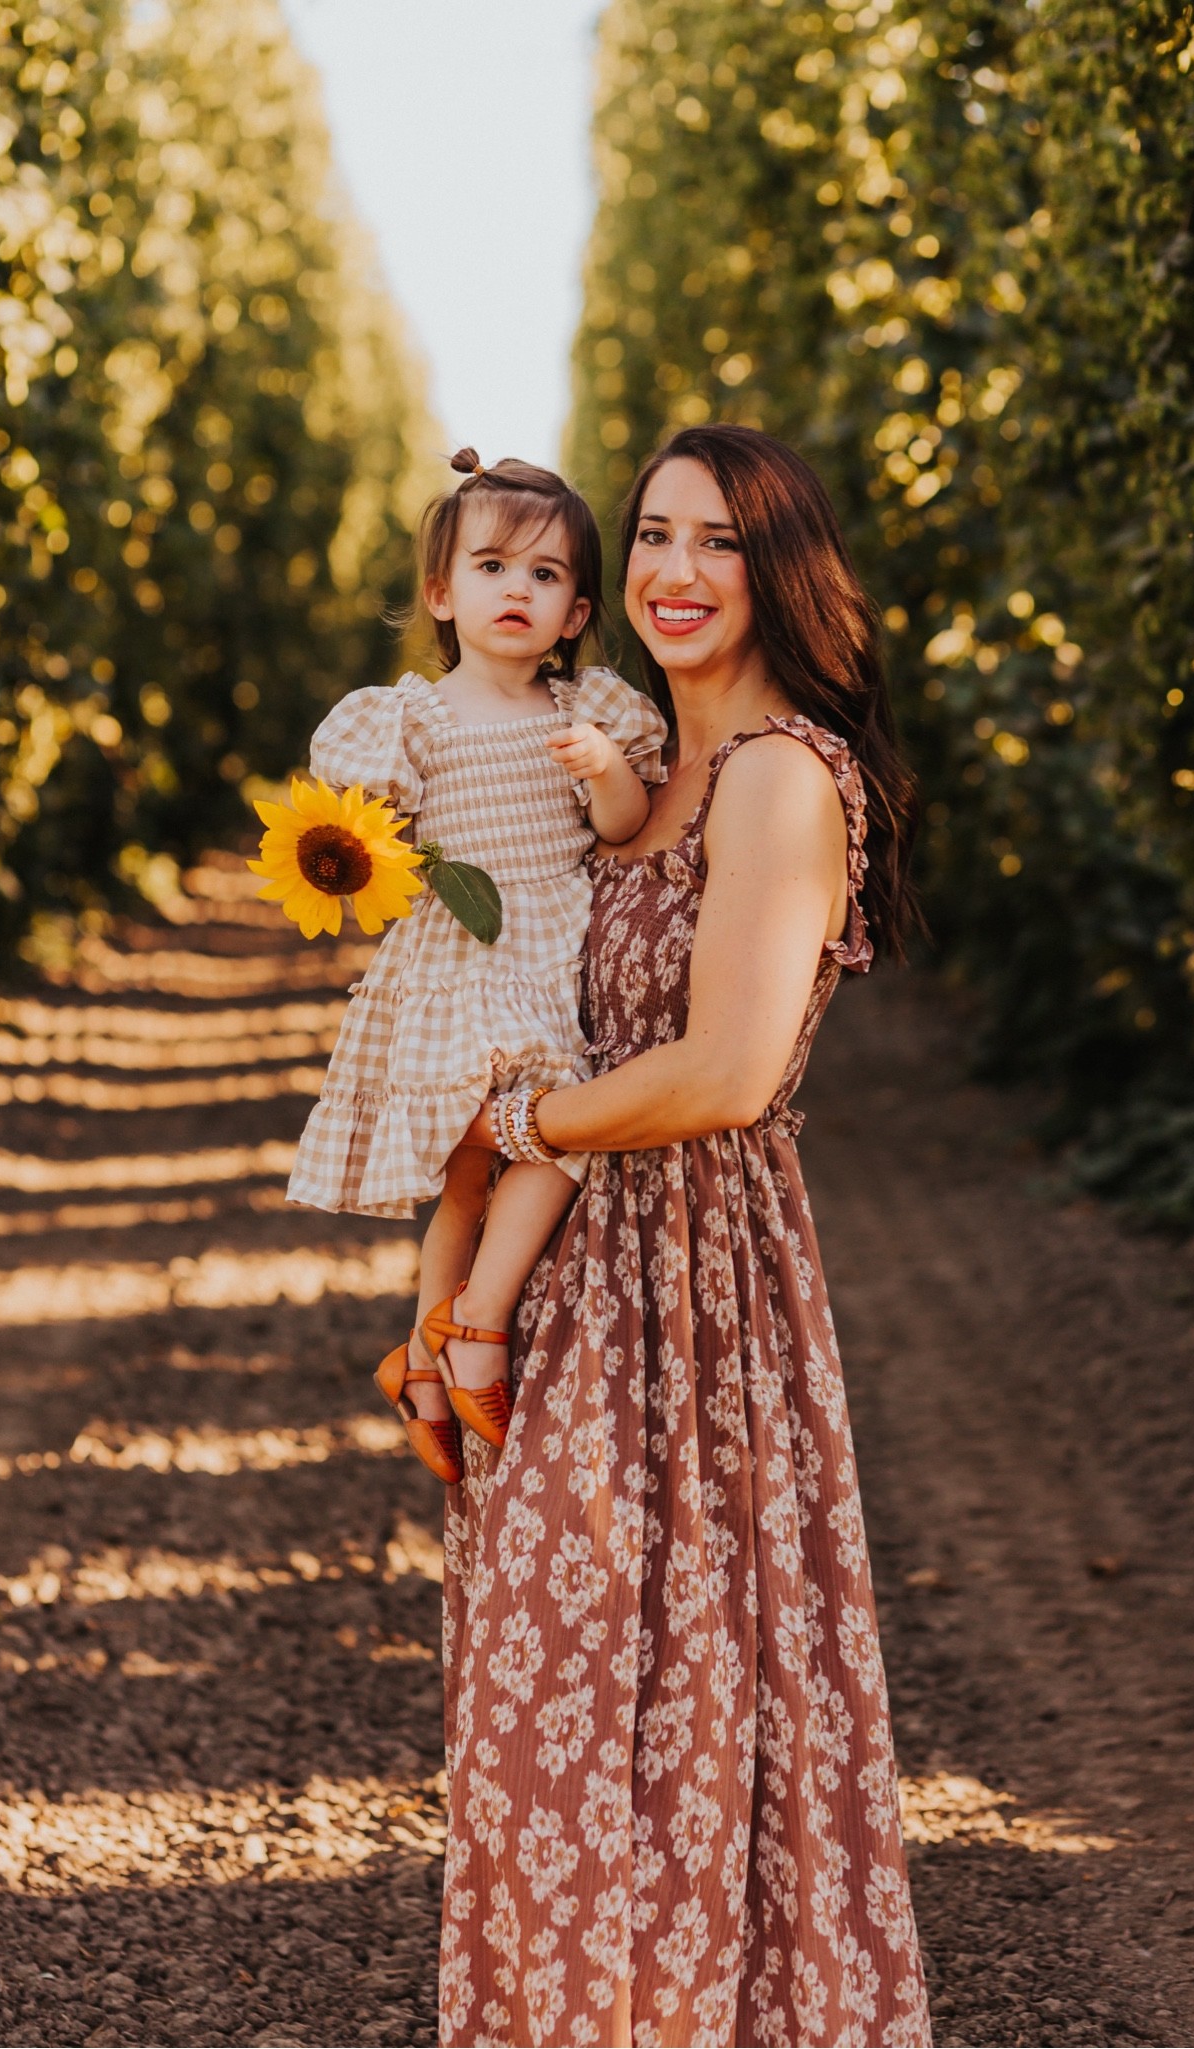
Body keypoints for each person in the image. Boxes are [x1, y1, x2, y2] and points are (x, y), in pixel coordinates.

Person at [439, 425, 933, 2048]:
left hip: (699, 1283)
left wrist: (523, 1126)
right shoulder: (631, 774)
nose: (674, 568)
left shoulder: (780, 774)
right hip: (567, 1279)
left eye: (718, 539)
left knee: (672, 1713)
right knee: (545, 1716)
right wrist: (457, 1288)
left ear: (778, 568)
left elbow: (723, 1071)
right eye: (652, 532)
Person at [287, 449, 668, 1483]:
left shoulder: (584, 713)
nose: (517, 590)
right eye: (493, 567)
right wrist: (357, 850)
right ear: (442, 593)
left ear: (575, 613)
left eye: (545, 575)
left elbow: (623, 826)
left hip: (550, 950)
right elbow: (368, 833)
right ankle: (460, 1337)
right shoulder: (409, 718)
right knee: (476, 1175)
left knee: (549, 1133)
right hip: (463, 954)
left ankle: (440, 1347)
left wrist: (606, 772)